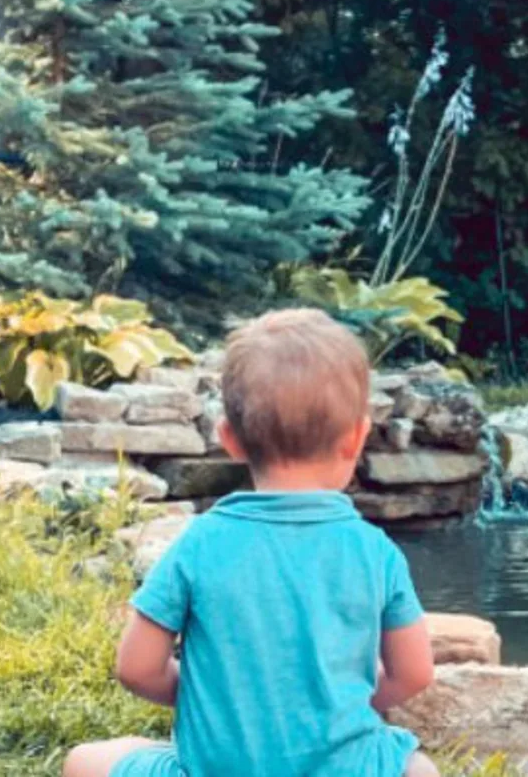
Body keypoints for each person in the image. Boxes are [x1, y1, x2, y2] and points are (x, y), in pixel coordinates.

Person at [63, 309, 442, 777]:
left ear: (229, 439)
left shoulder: (200, 542)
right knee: (419, 769)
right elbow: (415, 673)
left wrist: (213, 698)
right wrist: (341, 702)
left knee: (84, 762)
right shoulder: (375, 551)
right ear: (357, 438)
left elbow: (136, 668)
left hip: (218, 769)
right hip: (345, 768)